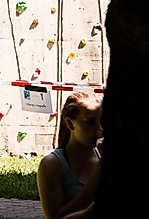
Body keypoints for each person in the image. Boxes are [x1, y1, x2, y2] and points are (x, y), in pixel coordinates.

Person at [37, 91, 102, 219]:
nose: (99, 129)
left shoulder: (101, 156)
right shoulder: (52, 164)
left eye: (102, 121)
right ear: (70, 124)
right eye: (90, 122)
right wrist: (93, 184)